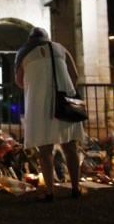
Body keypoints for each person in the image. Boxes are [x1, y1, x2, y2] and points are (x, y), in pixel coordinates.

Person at [14, 27, 85, 201]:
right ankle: (75, 189)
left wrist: (36, 80)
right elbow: (75, 75)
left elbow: (19, 83)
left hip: (39, 103)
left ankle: (49, 192)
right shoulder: (60, 48)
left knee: (45, 150)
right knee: (71, 147)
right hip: (65, 101)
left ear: (30, 39)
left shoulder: (23, 53)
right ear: (47, 38)